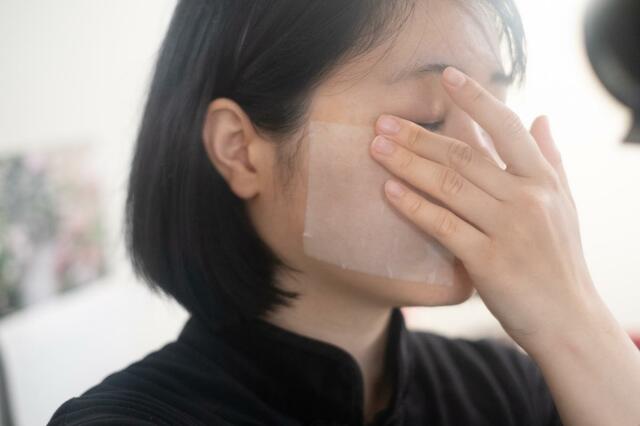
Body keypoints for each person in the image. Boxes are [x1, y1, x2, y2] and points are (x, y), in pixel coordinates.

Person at [49, 0, 640, 425]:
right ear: (240, 150)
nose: (483, 164)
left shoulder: (508, 389)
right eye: (427, 119)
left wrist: (573, 317)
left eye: (494, 111)